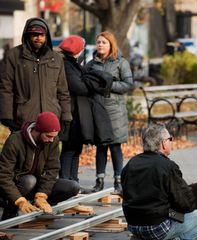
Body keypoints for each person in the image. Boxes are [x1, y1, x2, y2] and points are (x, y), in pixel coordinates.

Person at [121, 123, 197, 240]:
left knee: (171, 213)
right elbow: (186, 204)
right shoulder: (167, 166)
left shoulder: (130, 164)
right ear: (163, 143)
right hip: (156, 225)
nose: (171, 141)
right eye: (170, 139)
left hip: (133, 224)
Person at [0, 112, 80, 220]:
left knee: (73, 186)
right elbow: (3, 176)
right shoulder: (15, 140)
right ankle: (11, 210)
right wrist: (19, 200)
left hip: (37, 185)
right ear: (38, 131)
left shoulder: (53, 141)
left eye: (54, 137)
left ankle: (39, 206)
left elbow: (52, 169)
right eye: (48, 136)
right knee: (30, 180)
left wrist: (41, 195)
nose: (52, 140)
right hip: (16, 187)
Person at [57, 35, 114, 187]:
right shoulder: (67, 65)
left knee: (76, 148)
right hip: (71, 114)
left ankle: (73, 181)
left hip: (77, 114)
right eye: (81, 48)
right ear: (77, 50)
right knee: (69, 149)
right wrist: (88, 83)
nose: (83, 51)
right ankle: (65, 182)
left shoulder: (74, 64)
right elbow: (79, 87)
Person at [0, 18, 71, 133]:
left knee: (50, 151)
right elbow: (5, 88)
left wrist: (66, 116)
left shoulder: (56, 58)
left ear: (46, 36)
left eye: (42, 34)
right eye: (35, 34)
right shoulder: (13, 56)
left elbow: (63, 91)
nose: (39, 38)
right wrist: (6, 115)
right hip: (23, 119)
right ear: (27, 35)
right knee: (23, 151)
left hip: (51, 118)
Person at [86, 31, 133, 194]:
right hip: (98, 109)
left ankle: (118, 182)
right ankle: (99, 181)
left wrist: (108, 84)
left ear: (110, 44)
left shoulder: (121, 63)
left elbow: (128, 84)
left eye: (103, 42)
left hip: (115, 110)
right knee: (101, 146)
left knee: (114, 146)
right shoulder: (91, 64)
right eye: (98, 42)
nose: (100, 45)